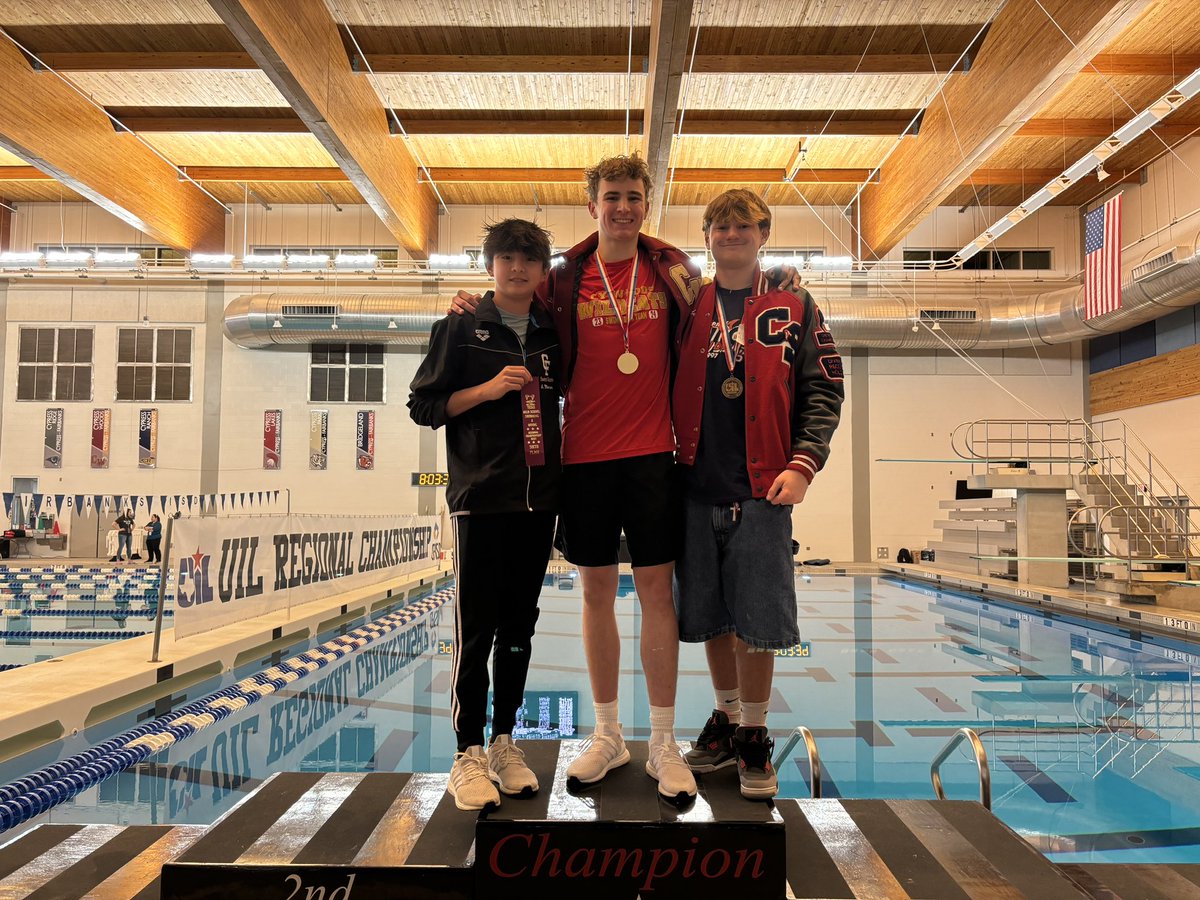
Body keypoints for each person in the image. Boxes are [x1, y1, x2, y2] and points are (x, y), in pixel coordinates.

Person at [456, 155, 704, 803]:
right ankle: (608, 734)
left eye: (632, 196)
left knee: (657, 596)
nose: (622, 206)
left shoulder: (673, 271)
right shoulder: (565, 276)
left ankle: (663, 742)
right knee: (596, 594)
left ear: (646, 204)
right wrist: (470, 305)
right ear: (592, 204)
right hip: (584, 460)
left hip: (654, 455)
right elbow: (508, 303)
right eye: (611, 196)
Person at [673, 189, 844, 799]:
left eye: (743, 225)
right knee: (713, 619)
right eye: (720, 225)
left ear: (764, 233)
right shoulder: (686, 302)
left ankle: (754, 734)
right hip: (692, 486)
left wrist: (804, 464)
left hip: (764, 491)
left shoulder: (793, 301)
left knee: (758, 623)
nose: (731, 234)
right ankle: (725, 719)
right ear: (708, 235)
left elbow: (825, 387)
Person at [408, 219, 562, 811]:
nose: (517, 268)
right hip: (481, 500)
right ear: (490, 265)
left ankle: (504, 742)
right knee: (477, 633)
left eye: (528, 260)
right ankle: (466, 751)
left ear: (543, 272)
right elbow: (423, 405)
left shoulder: (553, 334)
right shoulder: (460, 327)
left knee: (519, 628)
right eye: (506, 258)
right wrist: (487, 390)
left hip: (539, 501)